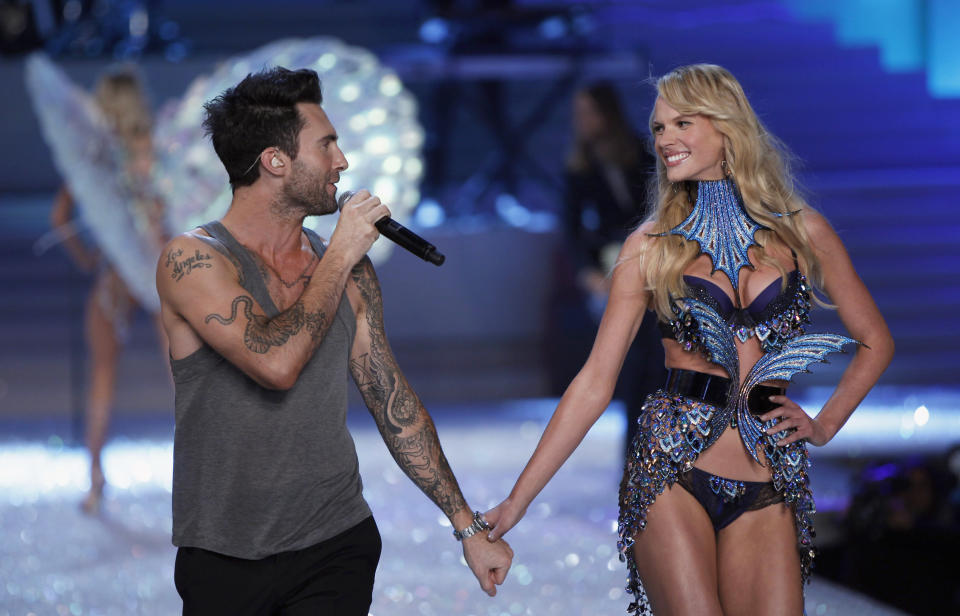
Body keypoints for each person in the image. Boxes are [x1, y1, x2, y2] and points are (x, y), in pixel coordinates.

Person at [485, 64, 894, 615]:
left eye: (682, 123)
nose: (664, 140)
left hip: (769, 475)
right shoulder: (649, 247)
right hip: (671, 469)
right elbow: (594, 382)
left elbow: (874, 340)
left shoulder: (803, 231)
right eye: (658, 128)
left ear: (727, 126)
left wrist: (824, 425)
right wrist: (517, 501)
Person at [156, 67, 512, 615]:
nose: (342, 162)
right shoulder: (194, 259)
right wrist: (342, 253)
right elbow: (275, 363)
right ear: (276, 161)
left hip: (336, 541)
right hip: (224, 553)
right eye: (326, 145)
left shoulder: (350, 268)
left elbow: (391, 399)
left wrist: (467, 524)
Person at [47, 66, 167, 514]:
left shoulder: (94, 156)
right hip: (157, 270)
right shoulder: (152, 152)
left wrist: (86, 258)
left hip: (114, 273)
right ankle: (203, 477)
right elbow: (164, 213)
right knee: (185, 379)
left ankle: (95, 481)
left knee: (102, 375)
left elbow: (59, 218)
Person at [560, 81, 665, 450]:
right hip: (612, 269)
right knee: (628, 356)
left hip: (656, 261)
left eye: (589, 112)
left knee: (655, 354)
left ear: (607, 113)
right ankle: (636, 445)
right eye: (579, 114)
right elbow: (571, 228)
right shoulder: (579, 167)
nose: (582, 121)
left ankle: (653, 441)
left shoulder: (642, 152)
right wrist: (587, 271)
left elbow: (660, 207)